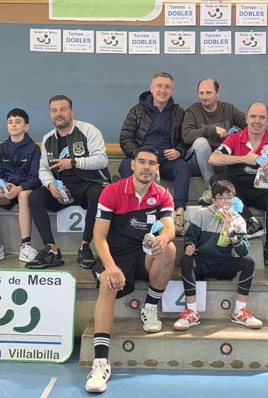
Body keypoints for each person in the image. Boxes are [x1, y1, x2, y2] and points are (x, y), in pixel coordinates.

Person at [85, 146, 176, 393]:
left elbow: (169, 228)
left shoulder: (162, 194)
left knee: (170, 249)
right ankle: (100, 362)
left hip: (143, 253)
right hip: (116, 253)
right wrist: (110, 266)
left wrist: (162, 238)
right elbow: (98, 236)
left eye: (152, 163)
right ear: (133, 165)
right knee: (107, 282)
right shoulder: (112, 191)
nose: (147, 167)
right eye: (142, 162)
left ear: (157, 168)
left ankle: (150, 308)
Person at [27, 95, 110, 270]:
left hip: (89, 183)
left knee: (99, 194)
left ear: (71, 112)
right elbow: (43, 169)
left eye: (63, 109)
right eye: (54, 110)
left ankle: (85, 246)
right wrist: (50, 184)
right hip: (62, 188)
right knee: (34, 197)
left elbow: (102, 160)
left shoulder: (89, 130)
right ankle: (51, 249)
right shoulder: (48, 138)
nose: (58, 114)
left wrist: (73, 162)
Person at [208, 102, 268, 270]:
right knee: (217, 180)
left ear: (267, 120)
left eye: (261, 117)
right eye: (253, 116)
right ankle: (250, 221)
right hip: (237, 188)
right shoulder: (235, 137)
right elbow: (213, 159)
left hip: (262, 188)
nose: (256, 121)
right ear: (246, 118)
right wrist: (244, 158)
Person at [174, 179, 262, 331]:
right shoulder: (202, 215)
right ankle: (192, 312)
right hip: (202, 262)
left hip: (223, 263)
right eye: (221, 198)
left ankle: (239, 311)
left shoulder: (239, 220)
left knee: (249, 262)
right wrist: (189, 246)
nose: (225, 201)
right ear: (214, 200)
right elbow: (190, 237)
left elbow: (243, 251)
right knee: (186, 260)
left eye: (229, 197)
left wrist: (230, 231)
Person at [182, 78, 264, 238]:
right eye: (201, 93)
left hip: (221, 162)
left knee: (229, 151)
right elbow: (186, 135)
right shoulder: (192, 111)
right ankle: (209, 186)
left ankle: (247, 220)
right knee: (201, 142)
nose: (204, 97)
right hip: (197, 161)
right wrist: (211, 130)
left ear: (217, 93)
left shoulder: (228, 109)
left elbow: (250, 125)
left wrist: (235, 135)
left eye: (208, 93)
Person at [119, 72, 190, 237]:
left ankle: (178, 215)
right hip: (142, 160)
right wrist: (139, 156)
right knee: (127, 166)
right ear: (151, 88)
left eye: (167, 87)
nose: (162, 90)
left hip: (166, 162)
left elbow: (186, 140)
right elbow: (125, 138)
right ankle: (128, 212)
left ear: (172, 90)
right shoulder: (137, 110)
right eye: (159, 86)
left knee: (184, 167)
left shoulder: (179, 113)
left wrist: (179, 151)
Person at [0, 108, 41, 265]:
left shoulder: (34, 149)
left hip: (24, 191)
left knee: (23, 195)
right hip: (6, 193)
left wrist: (19, 188)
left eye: (18, 122)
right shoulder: (0, 149)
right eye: (10, 122)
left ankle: (26, 246)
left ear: (26, 126)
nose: (13, 125)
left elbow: (36, 178)